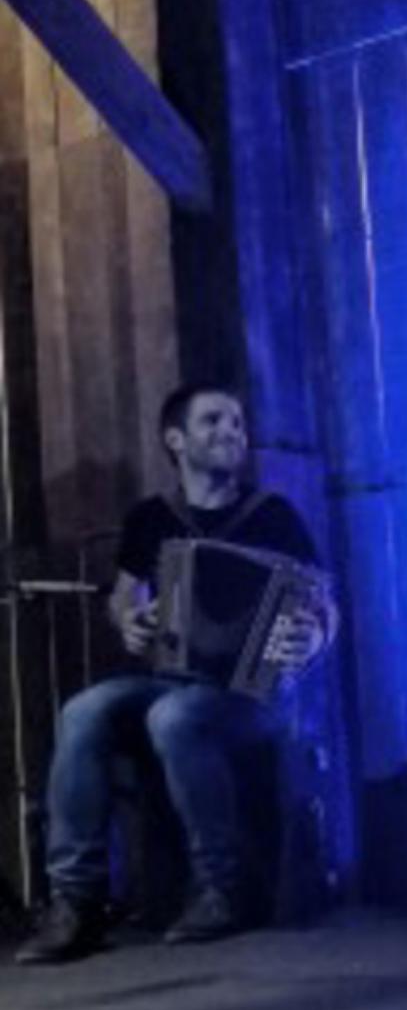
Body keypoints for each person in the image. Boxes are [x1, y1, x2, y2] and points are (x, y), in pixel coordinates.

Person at [16, 383, 337, 963]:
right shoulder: (152, 518)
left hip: (254, 695)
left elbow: (324, 604)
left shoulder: (273, 516)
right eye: (212, 421)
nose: (231, 431)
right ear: (175, 440)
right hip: (175, 681)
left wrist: (313, 636)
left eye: (237, 422)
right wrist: (130, 620)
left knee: (174, 715)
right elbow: (124, 597)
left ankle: (220, 888)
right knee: (83, 710)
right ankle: (77, 900)